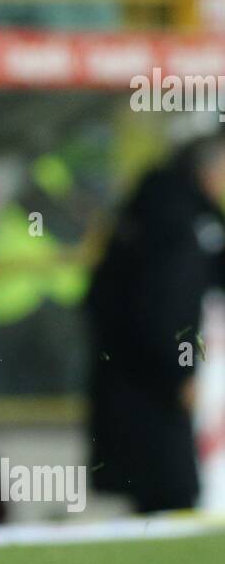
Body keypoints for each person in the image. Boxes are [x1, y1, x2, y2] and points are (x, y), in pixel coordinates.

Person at [87, 135, 225, 514]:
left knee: (156, 497)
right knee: (170, 497)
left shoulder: (163, 210)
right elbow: (167, 307)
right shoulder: (180, 222)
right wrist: (181, 374)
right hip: (154, 387)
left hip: (131, 378)